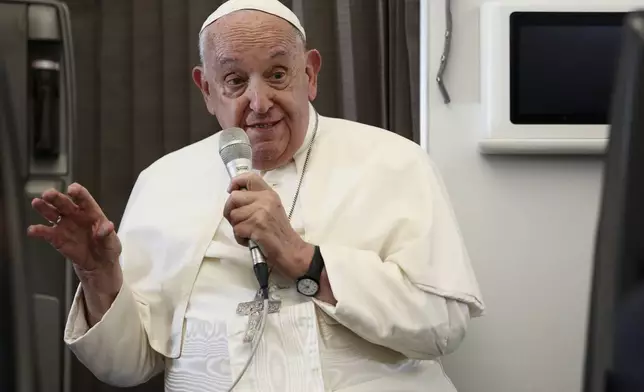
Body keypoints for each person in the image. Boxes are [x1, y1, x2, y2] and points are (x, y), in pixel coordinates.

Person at [27, 0, 485, 390]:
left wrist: (306, 259)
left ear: (310, 73)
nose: (260, 101)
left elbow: (444, 325)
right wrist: (98, 274)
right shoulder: (163, 180)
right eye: (234, 81)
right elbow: (128, 365)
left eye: (279, 74)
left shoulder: (394, 161)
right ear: (207, 90)